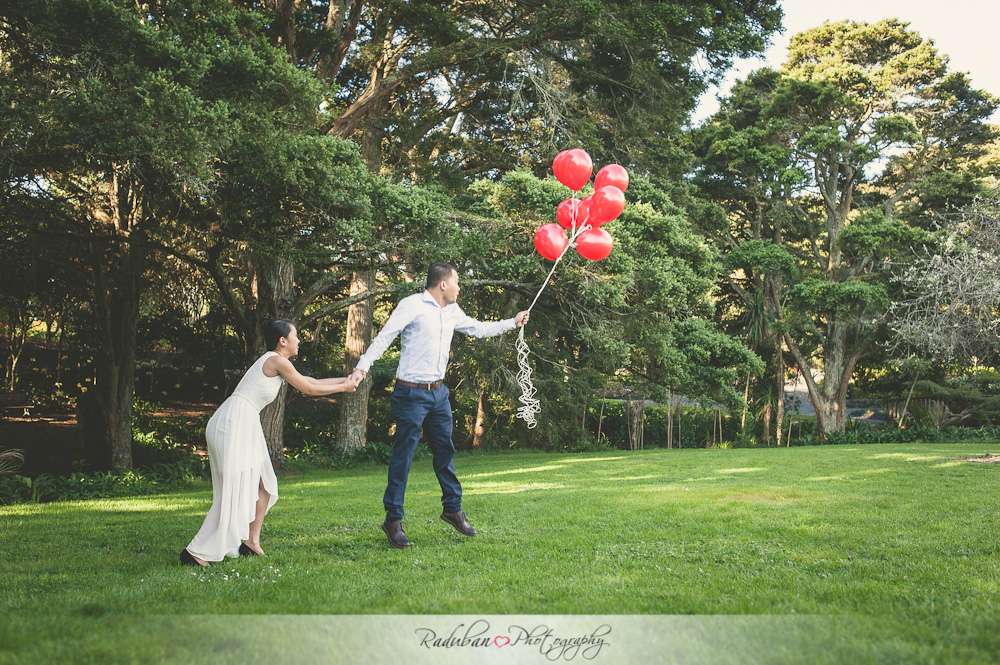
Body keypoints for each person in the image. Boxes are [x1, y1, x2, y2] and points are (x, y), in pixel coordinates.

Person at [350, 263, 529, 548]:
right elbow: (385, 337)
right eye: (456, 282)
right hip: (410, 394)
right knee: (404, 456)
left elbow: (479, 328)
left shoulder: (452, 311)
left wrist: (513, 322)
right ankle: (393, 519)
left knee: (445, 450)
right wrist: (362, 367)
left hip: (438, 393)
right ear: (443, 284)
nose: (459, 287)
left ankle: (452, 509)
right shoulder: (412, 305)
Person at [181, 319, 359, 567]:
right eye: (296, 335)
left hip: (244, 421)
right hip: (234, 422)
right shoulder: (276, 360)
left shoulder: (279, 363)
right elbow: (308, 389)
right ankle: (195, 552)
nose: (299, 340)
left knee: (265, 484)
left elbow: (312, 381)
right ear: (283, 340)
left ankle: (251, 542)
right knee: (235, 490)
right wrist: (345, 387)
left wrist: (345, 381)